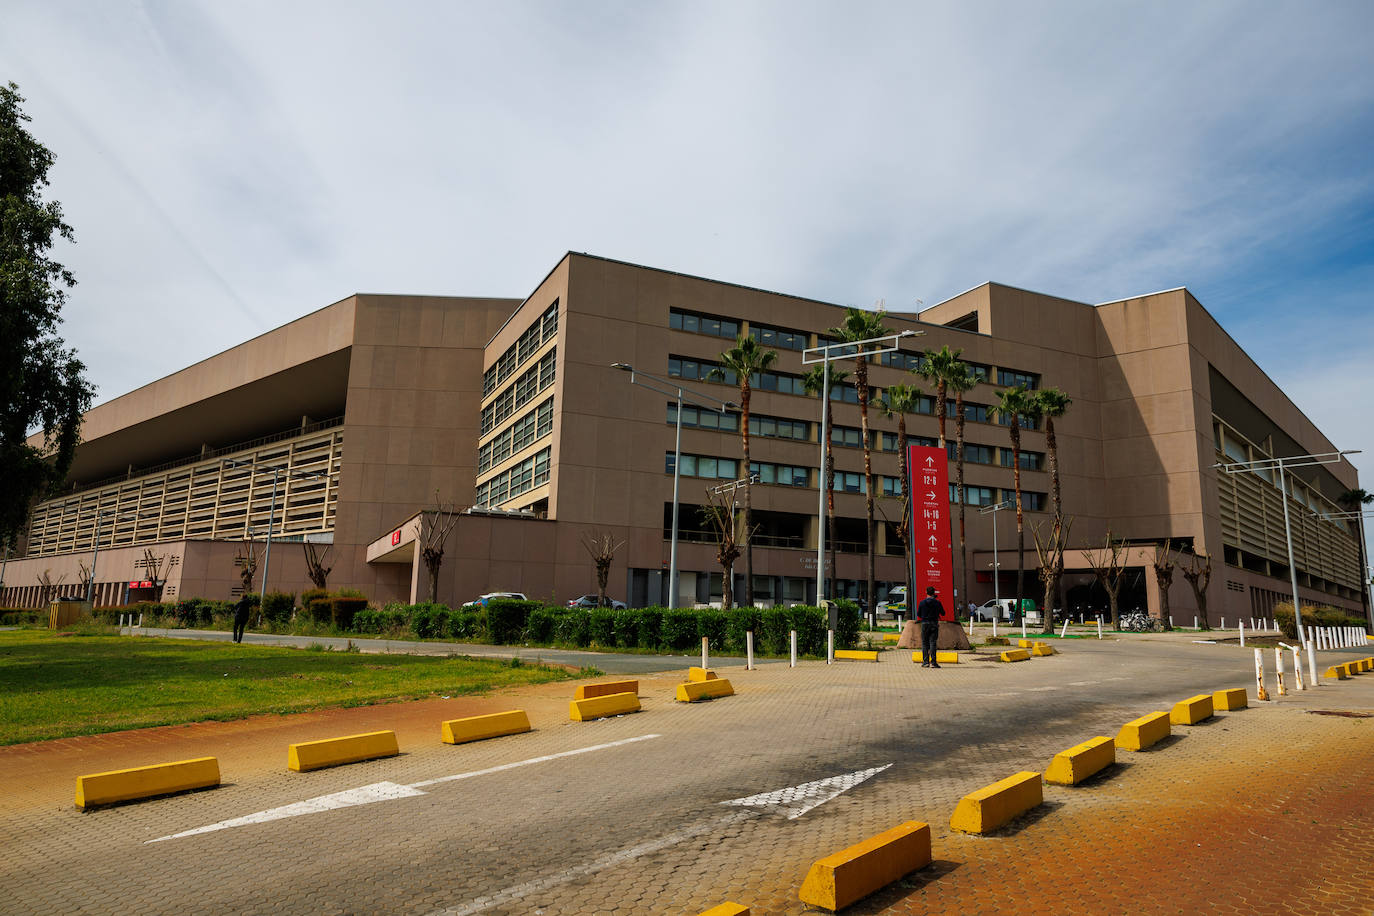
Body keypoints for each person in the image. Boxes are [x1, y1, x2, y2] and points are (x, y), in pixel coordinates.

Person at [917, 586, 944, 668]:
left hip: (925, 624)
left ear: (926, 592)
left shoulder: (922, 603)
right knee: (933, 643)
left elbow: (918, 614)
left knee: (924, 643)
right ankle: (933, 662)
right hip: (934, 624)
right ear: (934, 593)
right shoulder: (937, 602)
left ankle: (925, 662)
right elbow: (943, 613)